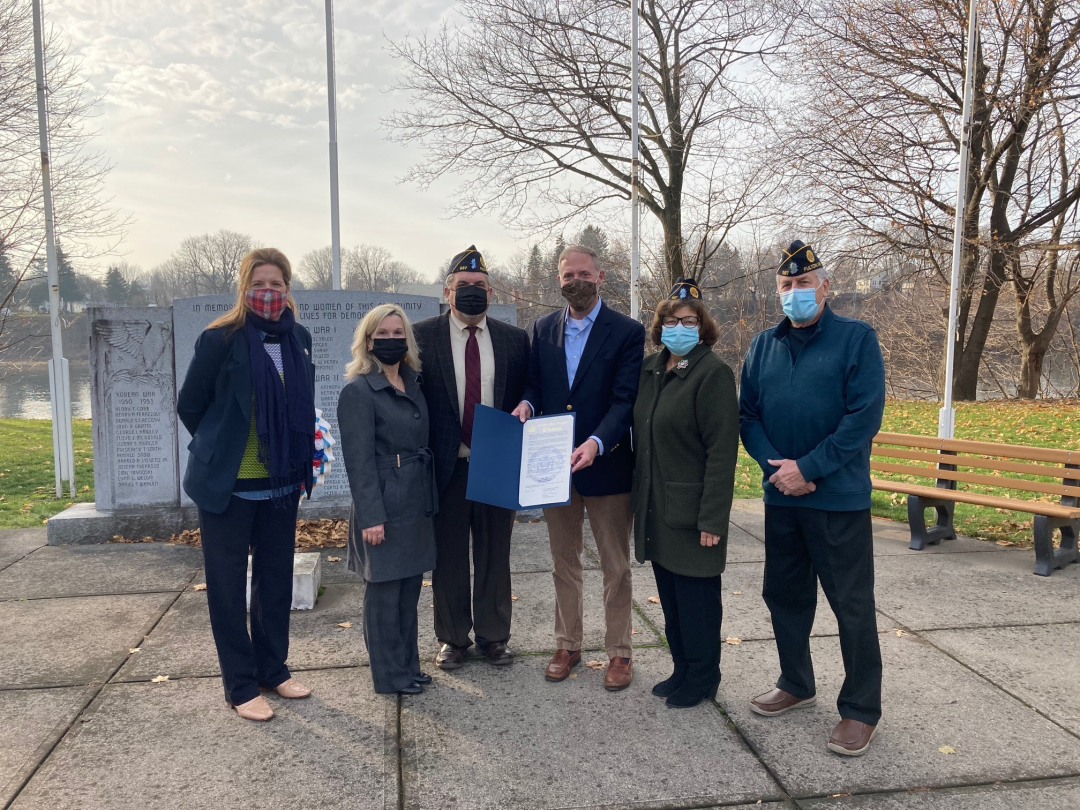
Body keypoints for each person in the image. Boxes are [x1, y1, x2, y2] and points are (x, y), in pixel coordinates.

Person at [739, 240, 886, 756]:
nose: (795, 293)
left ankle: (860, 710)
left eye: (804, 283)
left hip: (837, 498)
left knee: (851, 605)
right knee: (785, 596)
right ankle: (796, 682)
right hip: (782, 497)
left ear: (825, 287)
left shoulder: (856, 339)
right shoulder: (762, 346)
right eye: (786, 285)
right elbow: (748, 417)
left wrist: (810, 469)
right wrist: (777, 469)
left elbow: (862, 419)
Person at [177, 247, 316, 722]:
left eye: (277, 283)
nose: (268, 292)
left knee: (275, 582)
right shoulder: (220, 339)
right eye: (260, 283)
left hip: (281, 485)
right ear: (244, 288)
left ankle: (272, 670)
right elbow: (191, 406)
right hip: (228, 488)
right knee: (228, 587)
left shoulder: (299, 337)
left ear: (287, 289)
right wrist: (224, 448)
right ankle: (239, 686)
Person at [512, 244, 645, 690]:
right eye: (568, 276)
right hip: (554, 467)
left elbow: (625, 399)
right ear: (559, 280)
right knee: (563, 560)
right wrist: (527, 405)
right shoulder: (543, 328)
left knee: (615, 565)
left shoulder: (626, 331)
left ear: (601, 277)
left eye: (584, 274)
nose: (576, 281)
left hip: (605, 465)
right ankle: (567, 644)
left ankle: (619, 652)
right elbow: (536, 382)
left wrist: (596, 442)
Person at [413, 246, 531, 670]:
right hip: (447, 464)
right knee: (448, 556)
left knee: (495, 552)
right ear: (448, 291)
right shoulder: (421, 336)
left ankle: (495, 636)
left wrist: (529, 406)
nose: (472, 292)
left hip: (496, 463)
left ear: (491, 291)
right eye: (463, 286)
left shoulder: (514, 339)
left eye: (479, 286)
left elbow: (529, 388)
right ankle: (453, 638)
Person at [632, 278, 739, 708]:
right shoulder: (652, 370)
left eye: (689, 320)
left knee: (697, 602)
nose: (680, 326)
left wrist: (713, 518)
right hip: (658, 508)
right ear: (660, 326)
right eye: (672, 320)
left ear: (702, 326)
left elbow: (721, 452)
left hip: (694, 511)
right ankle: (681, 669)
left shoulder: (712, 373)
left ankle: (703, 677)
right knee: (672, 600)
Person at [337, 304, 438, 696]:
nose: (392, 340)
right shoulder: (359, 391)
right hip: (383, 505)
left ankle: (408, 667)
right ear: (368, 341)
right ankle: (389, 675)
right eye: (383, 334)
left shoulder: (413, 383)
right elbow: (358, 463)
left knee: (408, 592)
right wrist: (370, 517)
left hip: (416, 500)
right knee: (384, 596)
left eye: (399, 334)